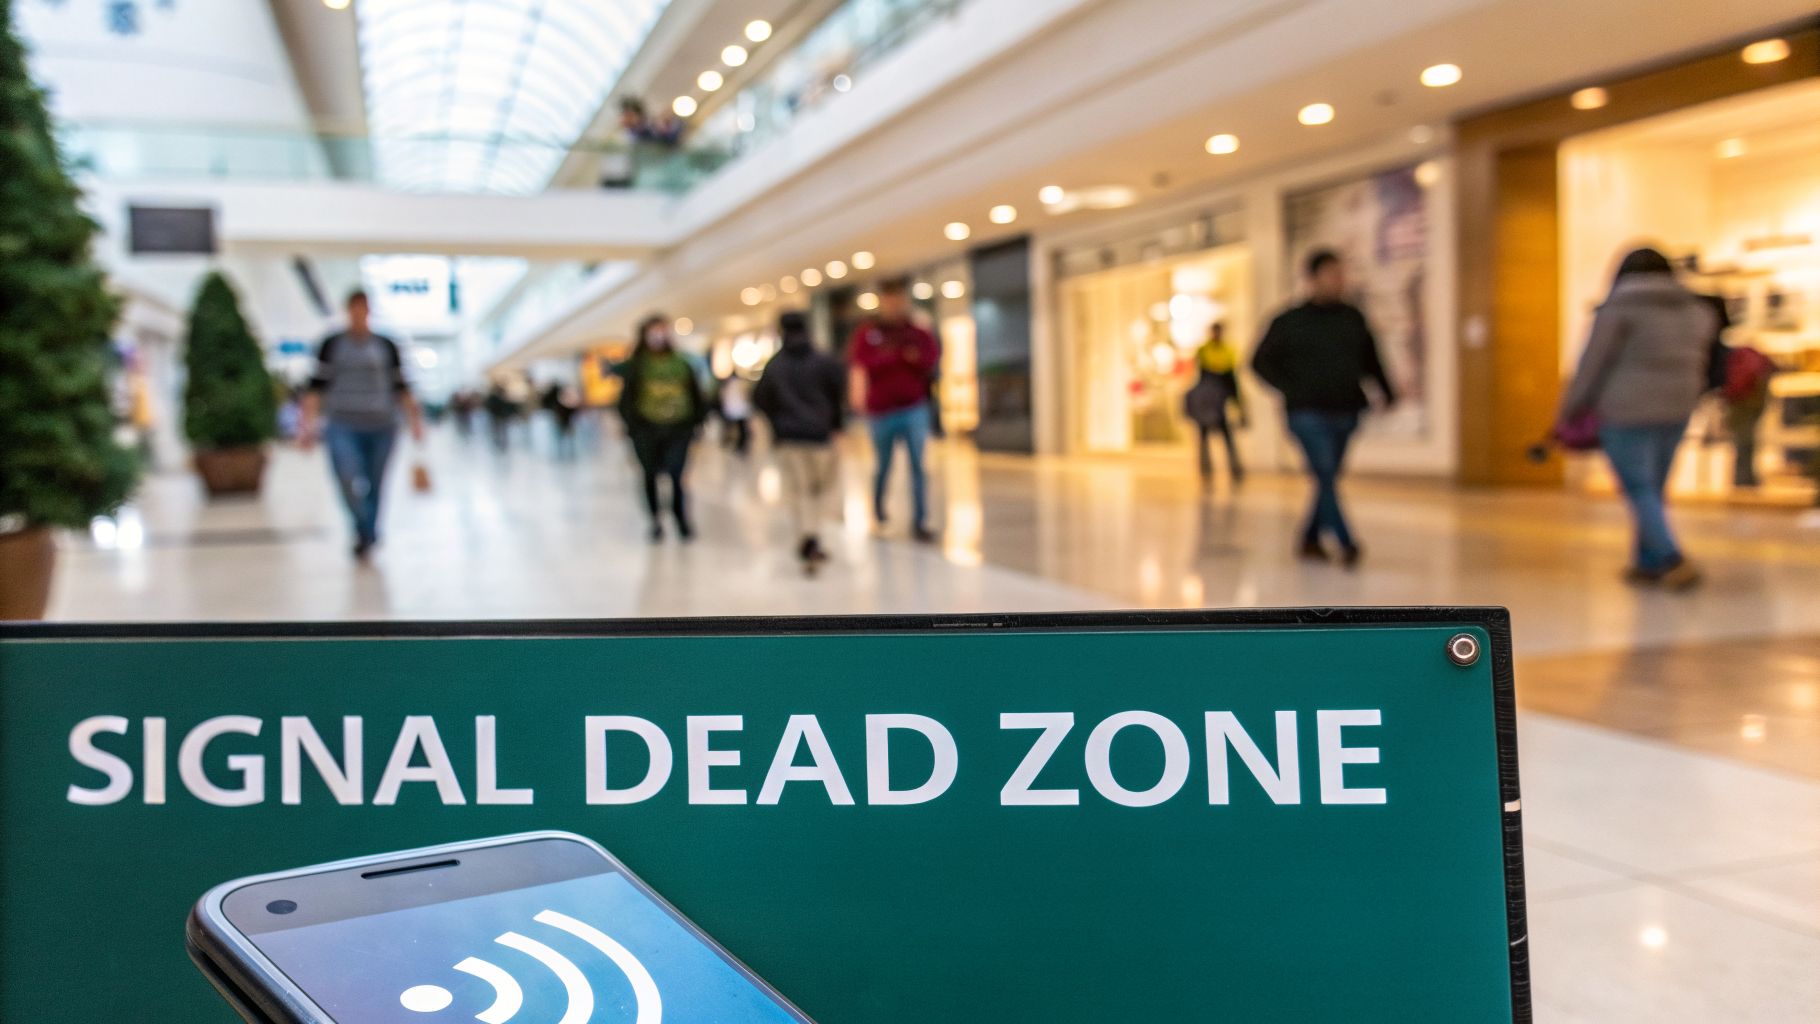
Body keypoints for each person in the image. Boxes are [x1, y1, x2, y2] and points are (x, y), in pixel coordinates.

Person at [1558, 247, 1717, 589]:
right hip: (1678, 407)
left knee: (1639, 487)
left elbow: (1591, 365)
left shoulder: (1618, 310)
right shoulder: (1696, 309)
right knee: (1653, 487)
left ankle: (1671, 557)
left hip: (1625, 410)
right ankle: (1647, 562)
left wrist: (1568, 410)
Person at [1251, 250, 1396, 568]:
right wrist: (1291, 388)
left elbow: (1372, 359)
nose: (1339, 281)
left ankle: (1310, 539)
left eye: (1341, 274)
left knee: (1326, 477)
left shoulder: (1352, 318)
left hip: (1346, 409)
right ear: (1312, 278)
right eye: (1332, 274)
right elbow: (1259, 362)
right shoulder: (1289, 320)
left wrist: (1387, 392)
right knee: (1326, 474)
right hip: (1306, 412)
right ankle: (1347, 542)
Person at [299, 290, 425, 561]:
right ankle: (363, 527)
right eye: (354, 308)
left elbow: (402, 387)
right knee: (346, 477)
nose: (359, 313)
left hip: (382, 425)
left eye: (363, 308)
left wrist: (415, 421)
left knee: (376, 482)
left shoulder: (386, 345)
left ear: (369, 310)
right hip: (342, 424)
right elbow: (315, 388)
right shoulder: (331, 344)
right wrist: (305, 426)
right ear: (348, 310)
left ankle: (367, 534)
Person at [754, 311, 847, 573]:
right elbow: (838, 395)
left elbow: (761, 400)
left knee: (798, 491)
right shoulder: (825, 360)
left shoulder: (775, 365)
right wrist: (837, 426)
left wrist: (777, 425)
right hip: (821, 436)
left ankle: (805, 534)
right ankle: (814, 534)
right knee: (820, 490)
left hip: (789, 438)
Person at [849, 279, 941, 542]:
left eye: (899, 299)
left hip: (913, 407)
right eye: (890, 299)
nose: (895, 305)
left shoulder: (918, 332)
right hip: (881, 412)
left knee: (917, 466)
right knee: (883, 465)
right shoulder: (868, 333)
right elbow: (861, 366)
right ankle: (878, 513)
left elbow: (929, 360)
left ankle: (920, 520)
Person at [616, 315, 708, 542]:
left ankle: (681, 519)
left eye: (663, 331)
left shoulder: (681, 363)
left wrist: (697, 423)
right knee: (649, 476)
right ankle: (655, 520)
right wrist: (633, 427)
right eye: (654, 331)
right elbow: (625, 399)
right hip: (647, 430)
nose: (659, 336)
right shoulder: (637, 365)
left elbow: (696, 394)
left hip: (678, 429)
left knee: (678, 476)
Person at [1184, 322, 1247, 485]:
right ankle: (1206, 468)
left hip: (1222, 396)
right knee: (1204, 436)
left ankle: (1235, 467)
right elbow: (1199, 376)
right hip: (1208, 397)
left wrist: (1237, 402)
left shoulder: (1228, 350)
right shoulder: (1203, 350)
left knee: (1227, 435)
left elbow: (1231, 377)